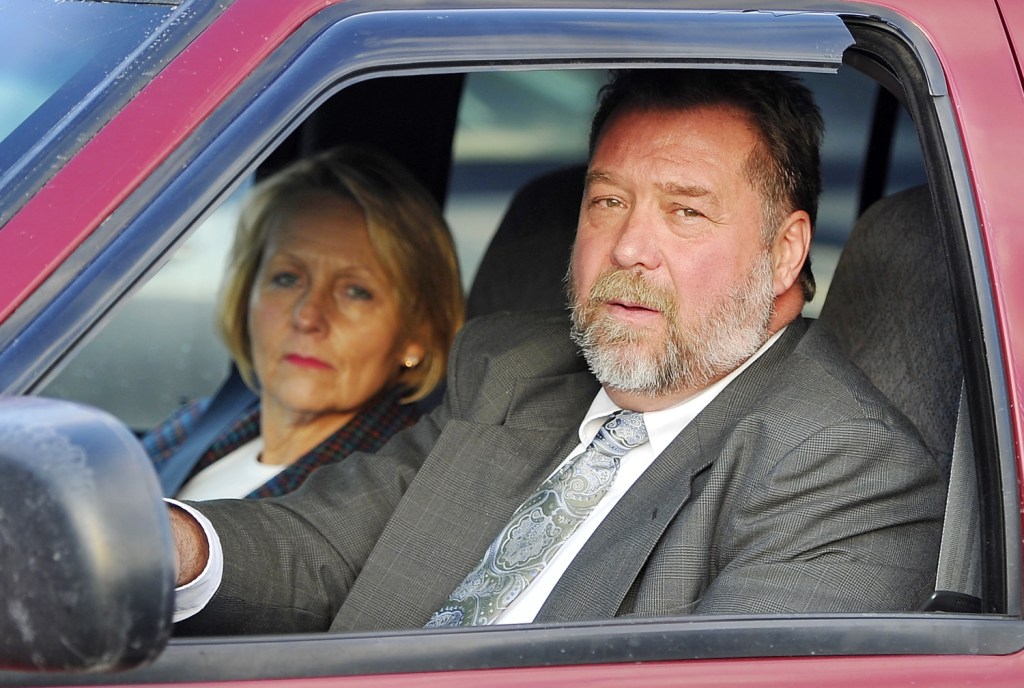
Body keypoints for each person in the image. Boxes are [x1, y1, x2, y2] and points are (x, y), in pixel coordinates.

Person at [168, 69, 945, 634]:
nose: (629, 246)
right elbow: (324, 548)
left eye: (685, 212)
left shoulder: (849, 471)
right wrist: (170, 546)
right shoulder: (512, 369)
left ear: (784, 254)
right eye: (608, 201)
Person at [144, 144, 463, 499]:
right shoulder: (201, 425)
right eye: (287, 278)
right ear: (247, 293)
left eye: (356, 291)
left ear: (416, 333)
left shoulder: (391, 496)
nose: (308, 316)